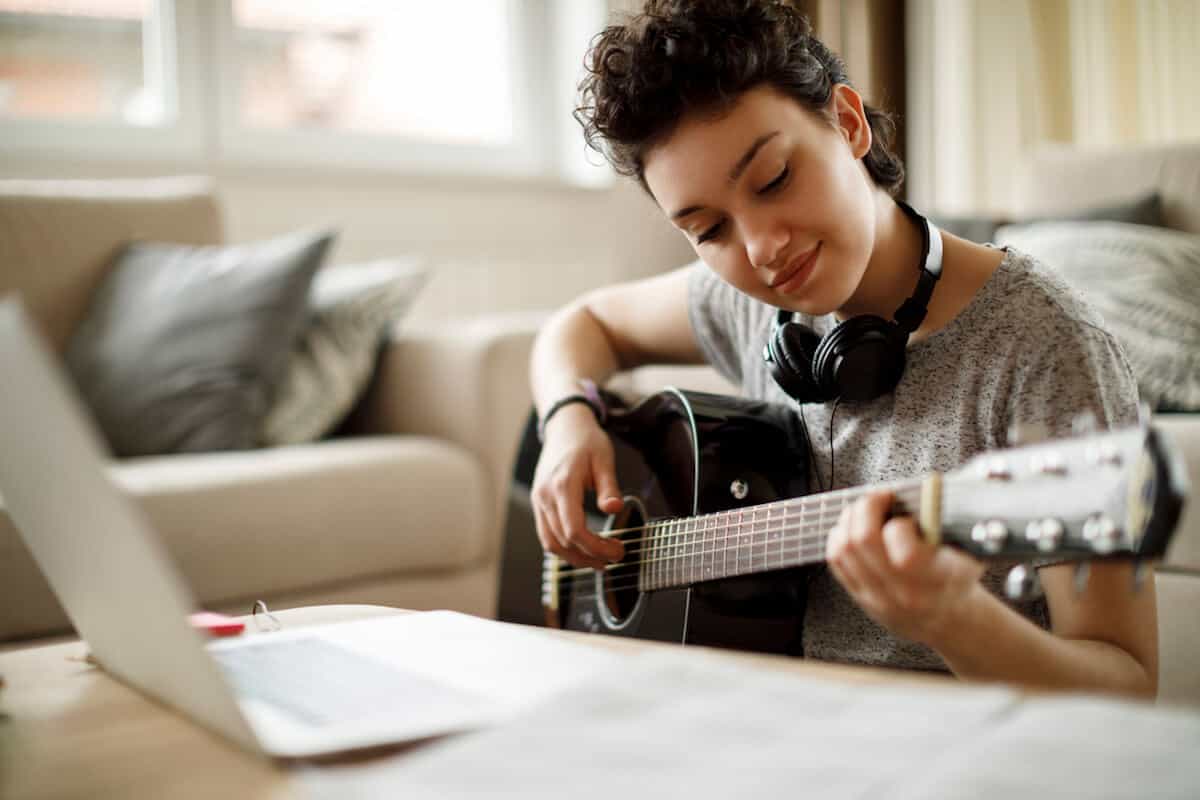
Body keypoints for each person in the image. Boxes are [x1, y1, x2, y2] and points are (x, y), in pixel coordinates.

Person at [529, 0, 1156, 697]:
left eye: (773, 180)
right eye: (709, 231)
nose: (762, 250)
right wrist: (567, 419)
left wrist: (956, 620)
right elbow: (580, 325)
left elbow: (1126, 686)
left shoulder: (1045, 350)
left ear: (849, 123)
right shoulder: (748, 305)